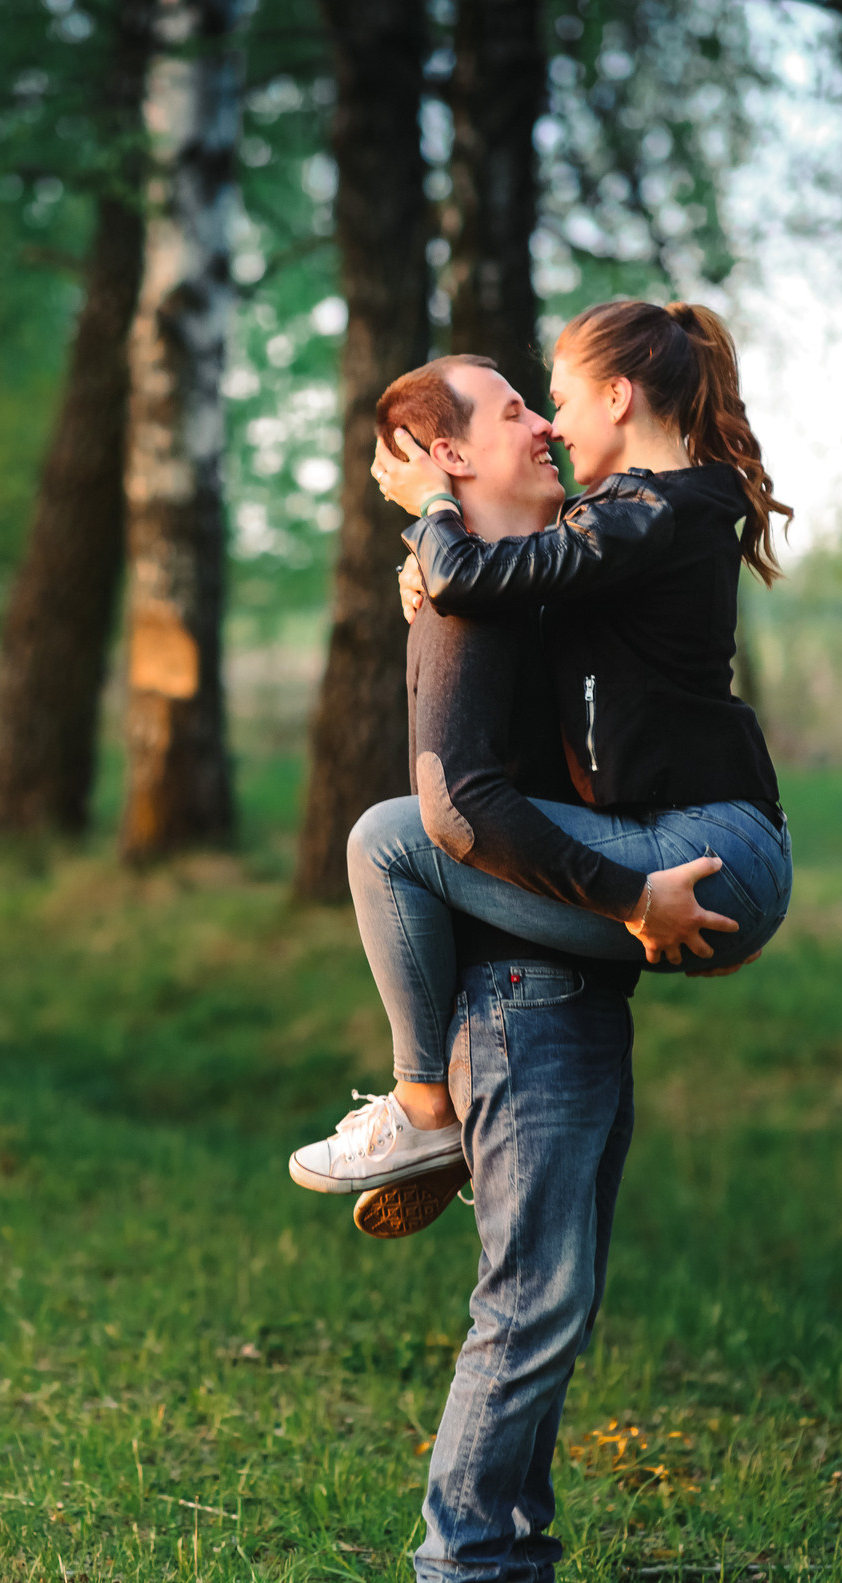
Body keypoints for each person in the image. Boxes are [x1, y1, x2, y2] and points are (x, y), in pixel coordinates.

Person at [286, 303, 795, 1242]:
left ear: (618, 396)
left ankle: (423, 1109)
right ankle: (439, 1111)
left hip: (703, 843)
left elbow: (483, 581)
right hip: (697, 833)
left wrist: (434, 517)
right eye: (529, 409)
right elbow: (510, 578)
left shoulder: (647, 511)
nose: (552, 426)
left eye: (557, 400)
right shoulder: (635, 520)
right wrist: (431, 564)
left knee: (388, 838)